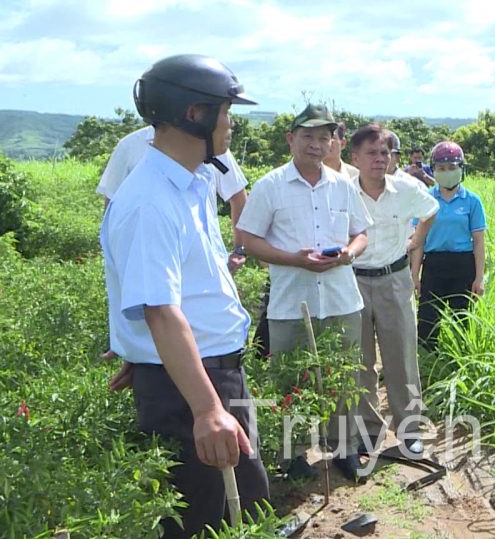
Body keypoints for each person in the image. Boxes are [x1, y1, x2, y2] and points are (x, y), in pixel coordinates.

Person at [101, 54, 268, 537]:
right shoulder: (152, 200)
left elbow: (170, 291)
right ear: (193, 114)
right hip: (195, 388)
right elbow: (160, 309)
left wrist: (148, 354)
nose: (232, 123)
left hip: (199, 372)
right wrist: (206, 408)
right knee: (204, 518)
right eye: (226, 111)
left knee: (244, 507)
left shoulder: (190, 183)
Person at [235, 103, 373, 481]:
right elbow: (248, 238)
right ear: (290, 139)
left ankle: (343, 448)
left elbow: (361, 233)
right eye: (308, 136)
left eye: (324, 137)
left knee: (344, 377)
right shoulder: (270, 186)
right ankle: (292, 454)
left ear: (333, 143)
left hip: (341, 299)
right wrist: (291, 259)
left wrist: (349, 253)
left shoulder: (345, 184)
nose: (316, 144)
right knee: (291, 380)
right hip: (291, 303)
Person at [348, 124, 439, 458]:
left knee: (401, 356)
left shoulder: (407, 189)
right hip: (353, 279)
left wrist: (417, 240)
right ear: (354, 157)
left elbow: (431, 211)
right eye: (371, 153)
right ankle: (369, 431)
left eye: (384, 152)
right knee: (360, 360)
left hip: (394, 277)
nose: (379, 159)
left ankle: (410, 429)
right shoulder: (343, 191)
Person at [98, 124, 250, 273]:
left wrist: (239, 250)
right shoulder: (130, 146)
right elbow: (112, 206)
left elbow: (237, 194)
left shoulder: (212, 144)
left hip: (211, 263)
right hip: (150, 266)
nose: (231, 122)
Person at [415, 141, 486, 349]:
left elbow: (479, 242)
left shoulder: (472, 201)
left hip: (463, 265)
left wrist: (479, 278)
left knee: (461, 321)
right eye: (442, 168)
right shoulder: (426, 199)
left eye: (452, 168)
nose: (447, 172)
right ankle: (427, 364)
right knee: (428, 320)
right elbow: (418, 242)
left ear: (461, 168)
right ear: (434, 170)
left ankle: (459, 362)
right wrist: (414, 275)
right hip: (434, 265)